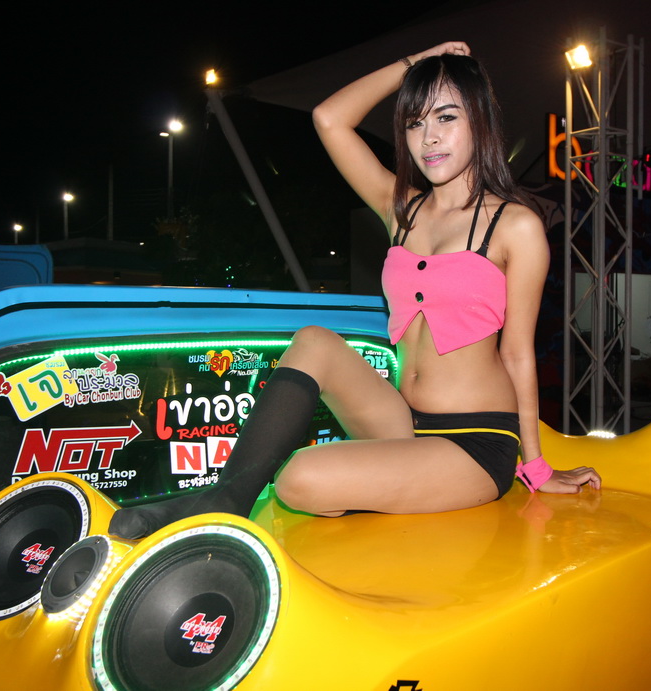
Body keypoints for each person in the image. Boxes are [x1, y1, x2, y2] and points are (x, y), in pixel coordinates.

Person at [109, 41, 601, 540]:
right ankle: (224, 498)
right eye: (414, 123)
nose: (429, 138)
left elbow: (517, 354)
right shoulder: (401, 209)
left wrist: (536, 467)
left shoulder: (516, 226)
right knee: (314, 340)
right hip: (402, 421)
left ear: (480, 120)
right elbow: (329, 119)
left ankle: (313, 495)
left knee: (297, 478)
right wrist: (416, 63)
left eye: (446, 117)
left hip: (475, 443)